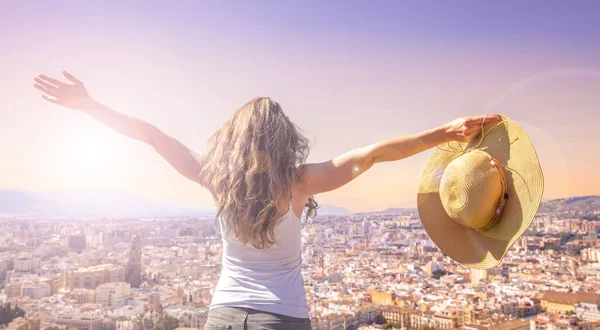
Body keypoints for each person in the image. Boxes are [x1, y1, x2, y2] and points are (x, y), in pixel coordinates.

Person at [33, 72, 500, 330]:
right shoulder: (299, 183)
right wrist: (445, 132)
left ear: (232, 140)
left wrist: (90, 106)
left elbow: (154, 137)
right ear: (284, 140)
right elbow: (372, 155)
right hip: (282, 318)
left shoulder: (215, 179)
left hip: (223, 316)